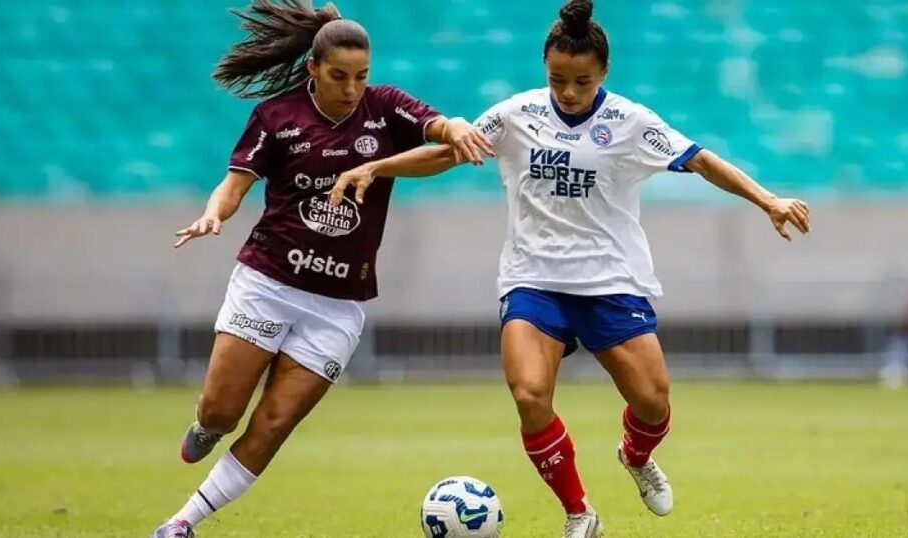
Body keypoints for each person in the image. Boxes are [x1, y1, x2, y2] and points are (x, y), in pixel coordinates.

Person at [329, 1, 811, 535]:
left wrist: (767, 200)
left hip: (610, 281)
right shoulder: (516, 114)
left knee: (653, 403)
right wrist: (376, 165)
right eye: (557, 79)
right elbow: (447, 153)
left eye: (581, 81)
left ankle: (634, 456)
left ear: (603, 73)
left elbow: (699, 159)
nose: (569, 92)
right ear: (545, 69)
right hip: (533, 280)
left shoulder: (631, 122)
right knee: (530, 395)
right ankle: (579, 513)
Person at [151, 1, 492, 536]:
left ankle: (182, 522)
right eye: (339, 76)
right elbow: (234, 185)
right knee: (222, 413)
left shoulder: (384, 109)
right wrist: (213, 214)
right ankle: (205, 424)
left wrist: (451, 129)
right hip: (268, 284)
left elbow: (443, 137)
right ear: (313, 68)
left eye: (361, 76)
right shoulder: (276, 116)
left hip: (338, 306)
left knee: (274, 423)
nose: (352, 88)